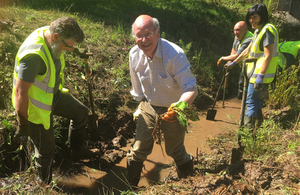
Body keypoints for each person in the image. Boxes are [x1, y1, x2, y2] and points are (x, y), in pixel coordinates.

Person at [12, 17, 96, 184]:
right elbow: (20, 92)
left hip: (53, 96)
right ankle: (44, 183)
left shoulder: (51, 35)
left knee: (81, 113)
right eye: (68, 45)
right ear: (56, 37)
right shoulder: (33, 57)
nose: (69, 49)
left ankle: (77, 150)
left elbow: (66, 45)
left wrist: (77, 52)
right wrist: (22, 125)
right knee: (46, 149)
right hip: (36, 108)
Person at [127, 15, 198, 187]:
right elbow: (137, 88)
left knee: (175, 150)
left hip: (173, 107)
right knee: (137, 150)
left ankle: (188, 184)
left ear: (158, 32)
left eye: (148, 34)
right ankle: (129, 188)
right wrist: (139, 105)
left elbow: (191, 87)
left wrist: (180, 107)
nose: (144, 40)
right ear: (134, 37)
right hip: (149, 106)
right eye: (139, 35)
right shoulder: (134, 55)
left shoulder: (175, 55)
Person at [225, 3, 279, 132]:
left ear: (262, 16)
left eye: (255, 17)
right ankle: (259, 125)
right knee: (255, 99)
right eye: (250, 17)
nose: (251, 20)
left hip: (259, 73)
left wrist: (260, 76)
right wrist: (234, 62)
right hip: (253, 72)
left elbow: (268, 55)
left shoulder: (267, 31)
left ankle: (248, 131)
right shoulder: (258, 31)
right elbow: (246, 51)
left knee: (250, 101)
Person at [217, 21, 253, 99]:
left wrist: (223, 58)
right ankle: (240, 98)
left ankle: (241, 100)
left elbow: (237, 56)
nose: (236, 32)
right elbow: (234, 49)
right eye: (234, 30)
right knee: (241, 82)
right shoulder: (238, 36)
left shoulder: (249, 40)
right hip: (242, 63)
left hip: (250, 65)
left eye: (238, 30)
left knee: (242, 83)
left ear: (245, 30)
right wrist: (229, 61)